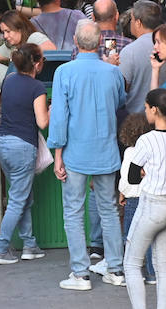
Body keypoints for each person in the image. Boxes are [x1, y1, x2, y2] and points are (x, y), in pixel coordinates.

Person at [47, 20, 126, 290]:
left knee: (73, 211)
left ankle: (80, 273)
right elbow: (120, 103)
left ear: (76, 42)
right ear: (99, 41)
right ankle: (115, 268)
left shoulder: (64, 72)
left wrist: (58, 154)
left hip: (76, 151)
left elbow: (59, 117)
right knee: (109, 210)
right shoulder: (113, 72)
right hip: (106, 150)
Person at [122, 88, 166, 309]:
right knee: (162, 266)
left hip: (153, 207)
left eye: (147, 107)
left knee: (131, 263)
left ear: (155, 110)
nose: (145, 111)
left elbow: (131, 177)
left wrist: (145, 174)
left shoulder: (146, 140)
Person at [0, 43, 48, 265]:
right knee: (17, 200)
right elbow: (42, 122)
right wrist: (50, 111)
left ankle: (29, 245)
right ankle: (1, 249)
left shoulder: (9, 80)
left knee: (22, 196)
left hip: (2, 144)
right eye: (41, 59)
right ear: (36, 62)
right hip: (23, 146)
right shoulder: (37, 88)